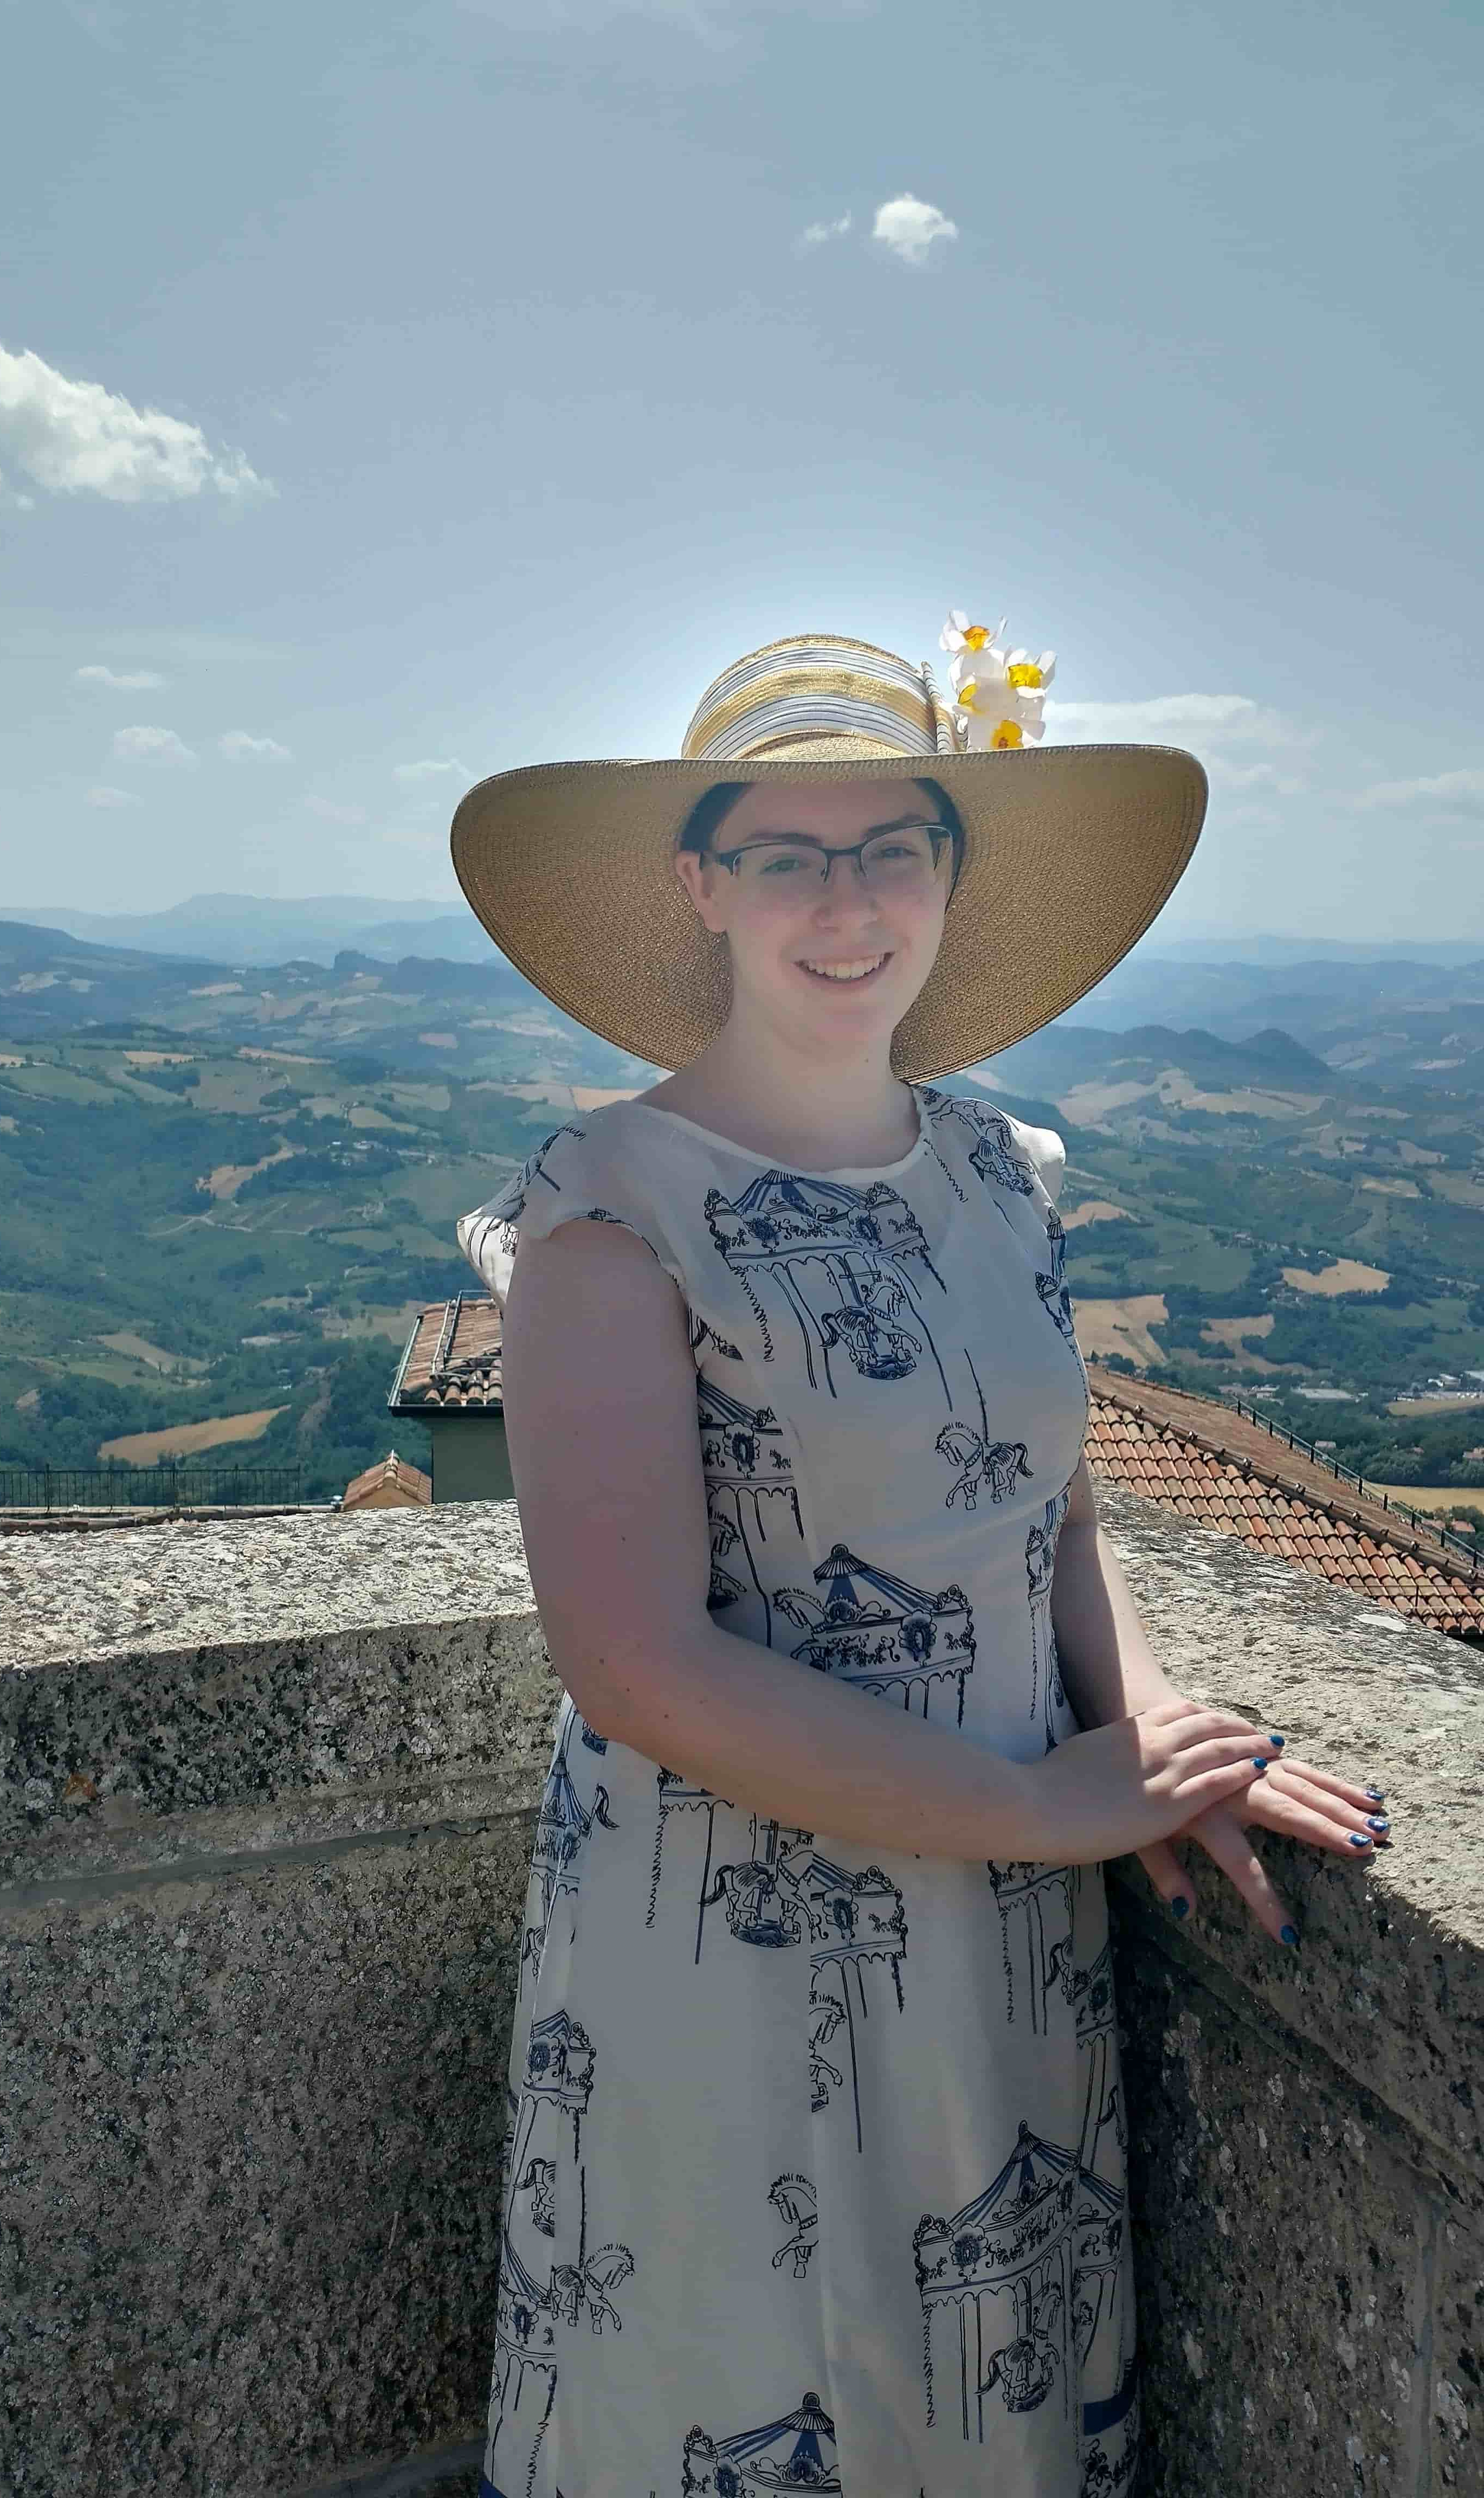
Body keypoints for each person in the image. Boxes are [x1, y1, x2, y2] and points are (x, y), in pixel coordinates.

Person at [448, 628, 1389, 2498]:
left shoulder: (997, 1170)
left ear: (954, 876)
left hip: (1004, 1898)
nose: (848, 898)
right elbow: (632, 1665)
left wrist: (1158, 1716)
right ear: (700, 885)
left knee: (970, 2388)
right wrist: (1050, 1806)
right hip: (740, 1919)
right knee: (752, 2370)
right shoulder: (606, 1210)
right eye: (785, 854)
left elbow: (1052, 1508)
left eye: (895, 844)